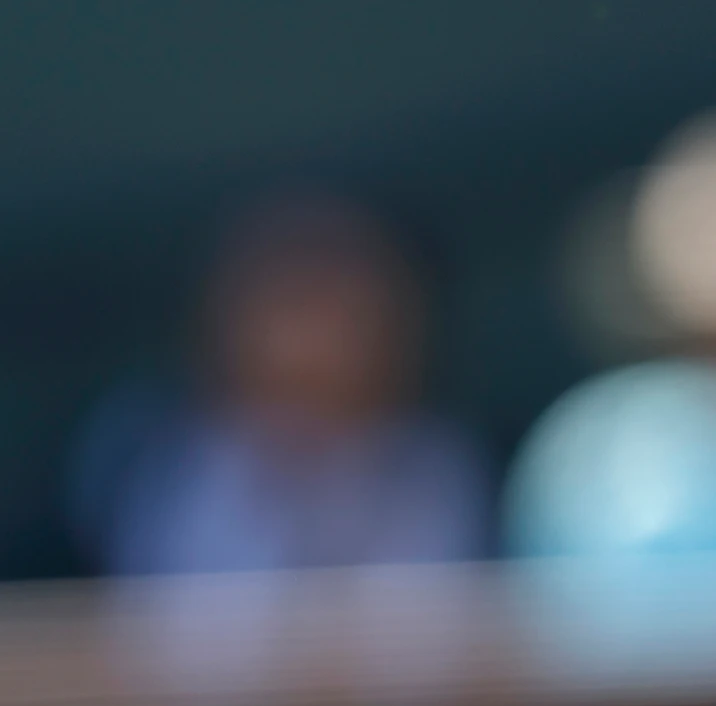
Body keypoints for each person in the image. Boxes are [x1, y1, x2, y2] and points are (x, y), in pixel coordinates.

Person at [67, 191, 490, 575]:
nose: (312, 336)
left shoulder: (437, 470)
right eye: (291, 299)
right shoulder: (158, 465)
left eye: (339, 302)